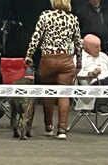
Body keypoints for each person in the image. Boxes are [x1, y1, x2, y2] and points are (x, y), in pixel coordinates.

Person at [25, 0, 81, 140]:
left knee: (48, 92)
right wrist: (79, 62)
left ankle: (48, 126)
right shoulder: (73, 19)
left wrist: (29, 55)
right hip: (66, 60)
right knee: (64, 94)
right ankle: (62, 129)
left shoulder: (45, 16)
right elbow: (78, 43)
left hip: (48, 60)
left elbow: (36, 38)